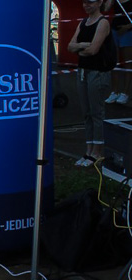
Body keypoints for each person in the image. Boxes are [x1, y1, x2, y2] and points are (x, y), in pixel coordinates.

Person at [69, 0, 115, 166]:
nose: (86, 5)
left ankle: (98, 151)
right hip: (83, 71)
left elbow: (93, 49)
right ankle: (89, 149)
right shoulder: (83, 22)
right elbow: (70, 46)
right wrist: (81, 45)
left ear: (99, 3)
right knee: (87, 112)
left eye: (90, 2)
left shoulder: (102, 23)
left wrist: (78, 49)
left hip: (98, 72)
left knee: (96, 112)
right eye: (84, 2)